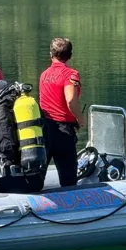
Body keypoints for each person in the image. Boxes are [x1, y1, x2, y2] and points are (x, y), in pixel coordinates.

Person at [38, 37, 86, 187]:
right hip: (64, 132)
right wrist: (80, 119)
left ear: (51, 55)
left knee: (39, 177)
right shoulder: (70, 75)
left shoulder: (44, 75)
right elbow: (70, 99)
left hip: (45, 129)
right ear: (70, 56)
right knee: (69, 181)